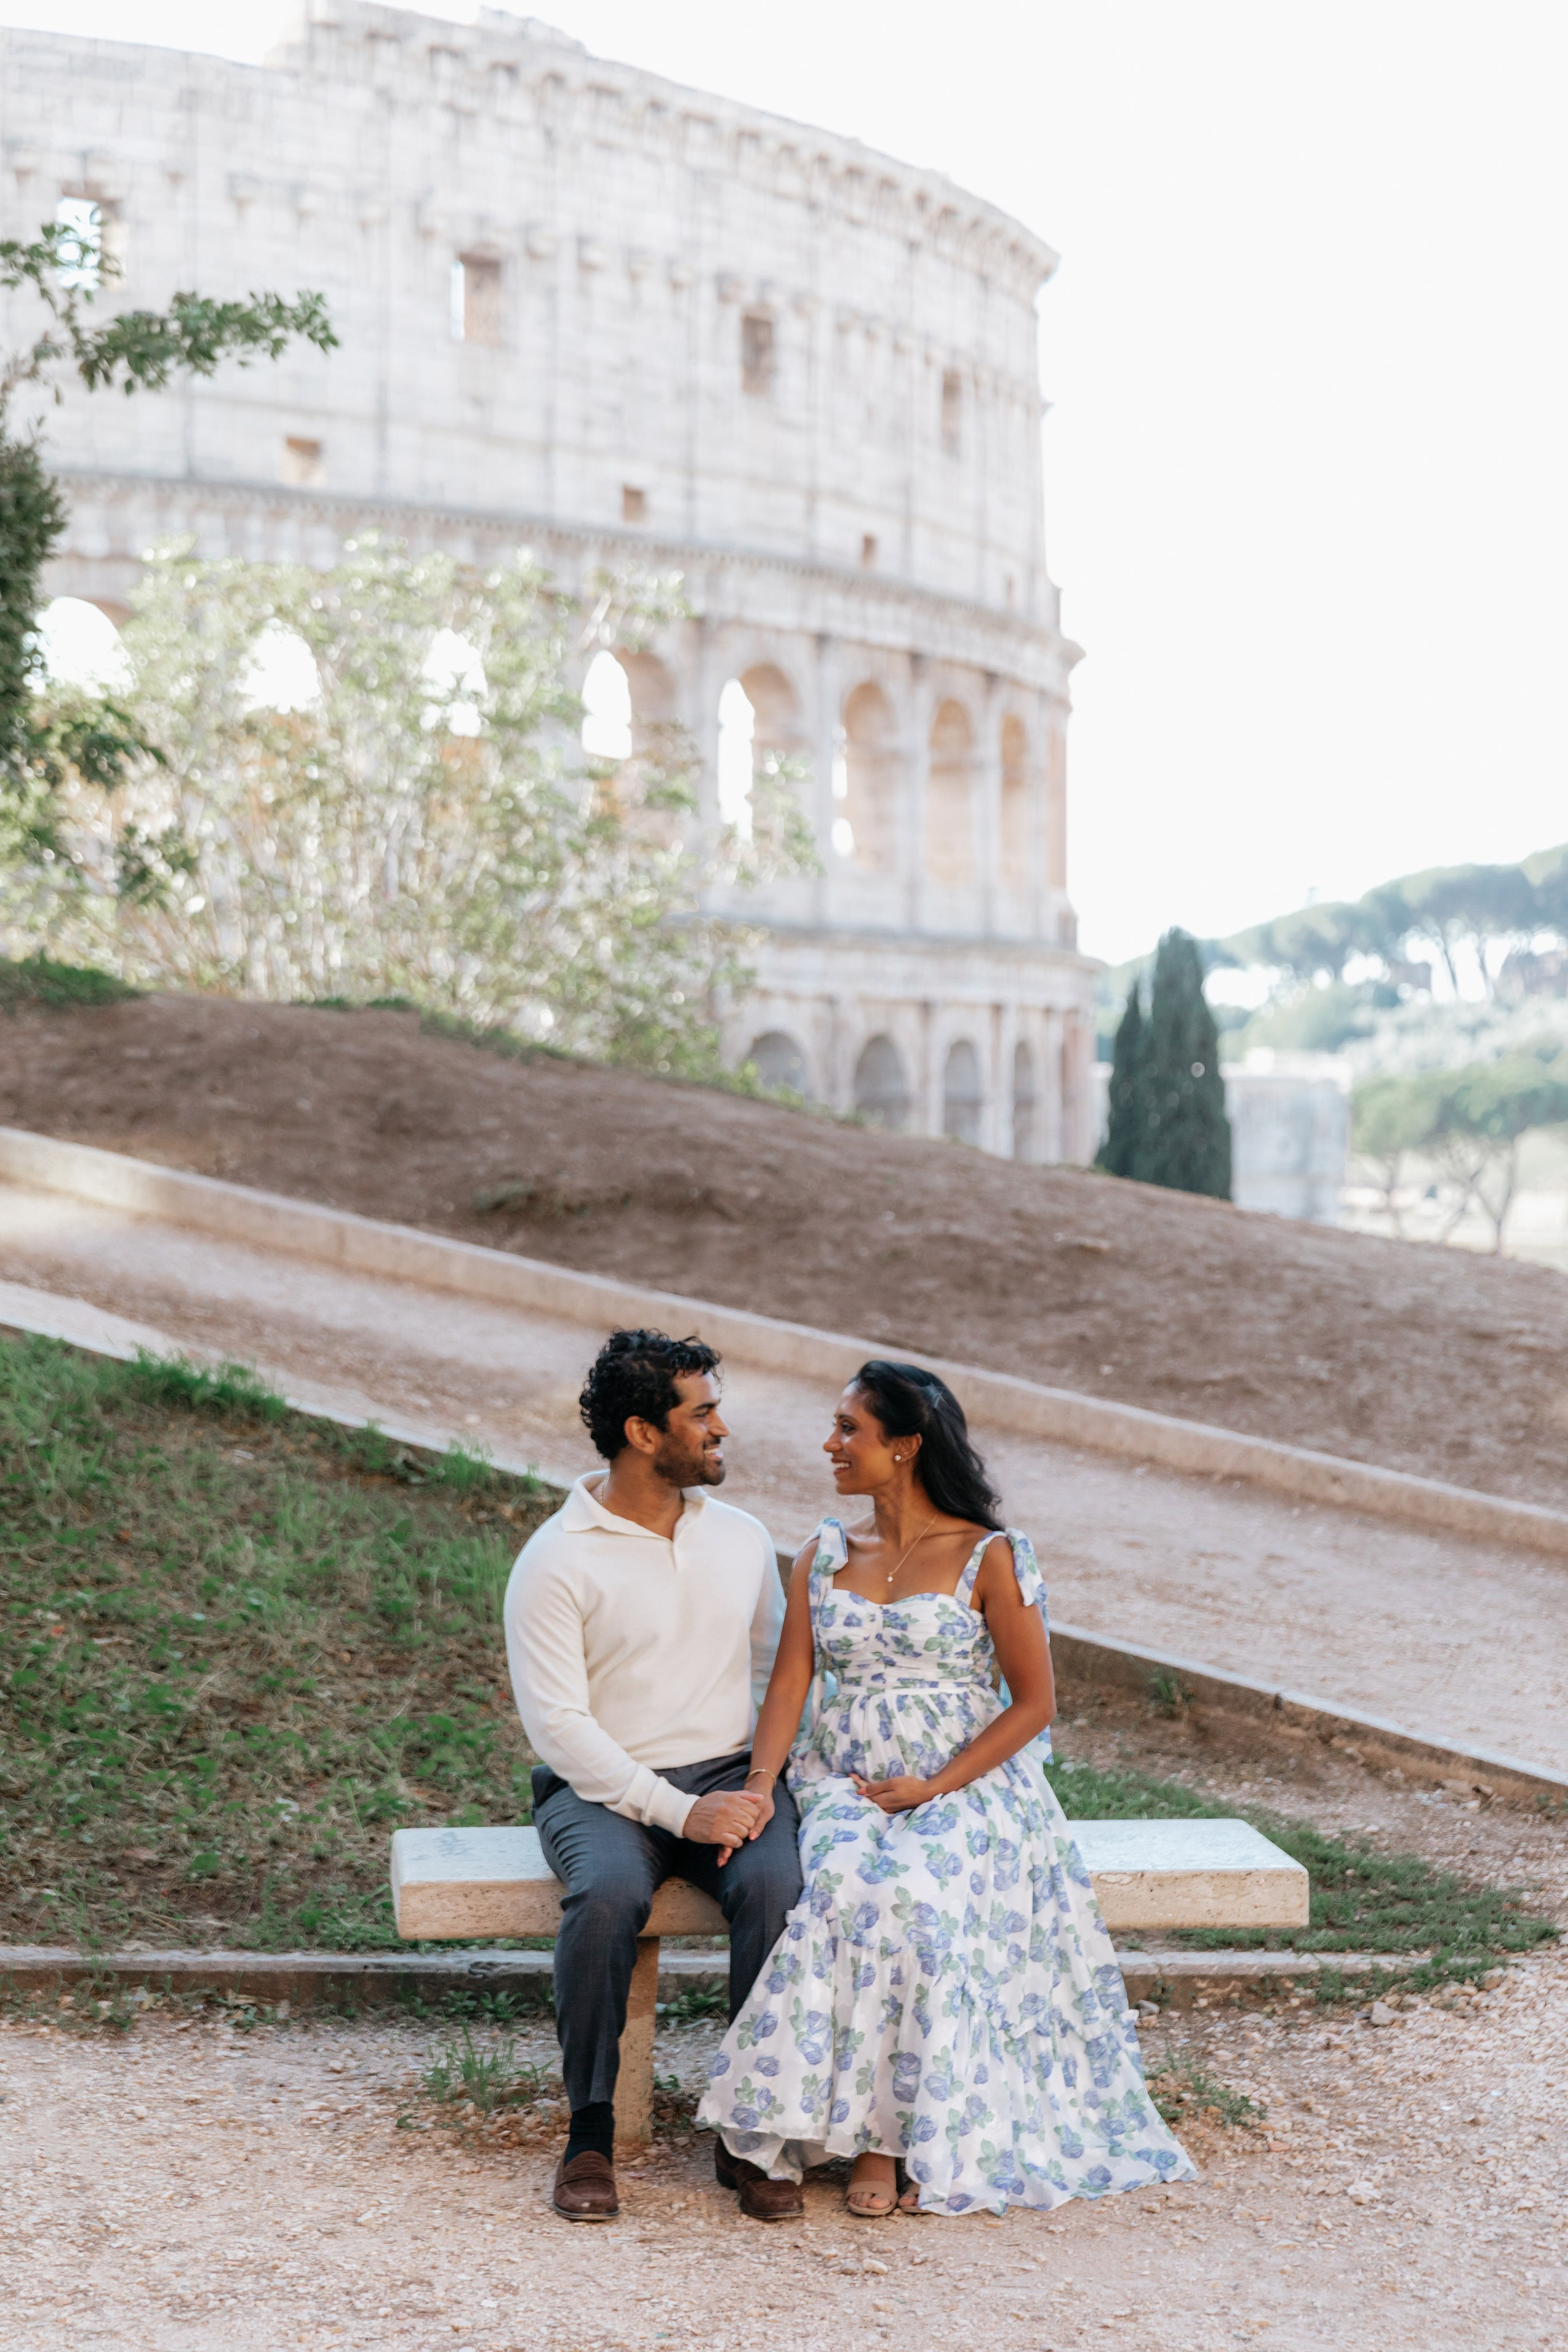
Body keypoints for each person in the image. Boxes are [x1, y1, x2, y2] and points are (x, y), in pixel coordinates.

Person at [697, 1360, 1195, 2218]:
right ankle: (809, 2123)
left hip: (969, 1784)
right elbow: (788, 1685)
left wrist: (934, 1785)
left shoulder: (991, 1555)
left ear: (906, 1445)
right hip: (847, 1782)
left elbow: (1034, 1704)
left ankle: (890, 2140)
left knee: (919, 1901)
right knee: (844, 1891)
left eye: (849, 1429)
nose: (831, 1444)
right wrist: (762, 1787)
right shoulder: (822, 1554)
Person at [505, 1327, 805, 2224]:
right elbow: (561, 1728)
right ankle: (589, 2137)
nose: (722, 1429)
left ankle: (748, 2135)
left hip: (731, 1773)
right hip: (602, 1790)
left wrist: (761, 1781)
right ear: (644, 1433)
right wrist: (679, 1811)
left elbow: (780, 1673)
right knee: (604, 1897)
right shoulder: (556, 1559)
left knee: (780, 1889)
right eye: (702, 1413)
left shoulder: (741, 1539)